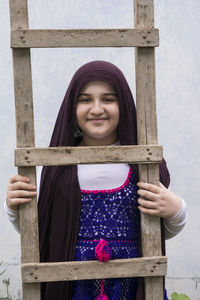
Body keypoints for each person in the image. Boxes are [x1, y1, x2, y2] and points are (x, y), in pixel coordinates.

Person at [5, 61, 187, 300]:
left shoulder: (143, 166)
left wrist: (177, 210)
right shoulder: (53, 168)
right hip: (71, 288)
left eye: (108, 99)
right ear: (72, 107)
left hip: (133, 287)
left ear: (123, 105)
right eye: (85, 99)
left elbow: (163, 230)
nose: (97, 108)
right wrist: (13, 206)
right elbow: (39, 231)